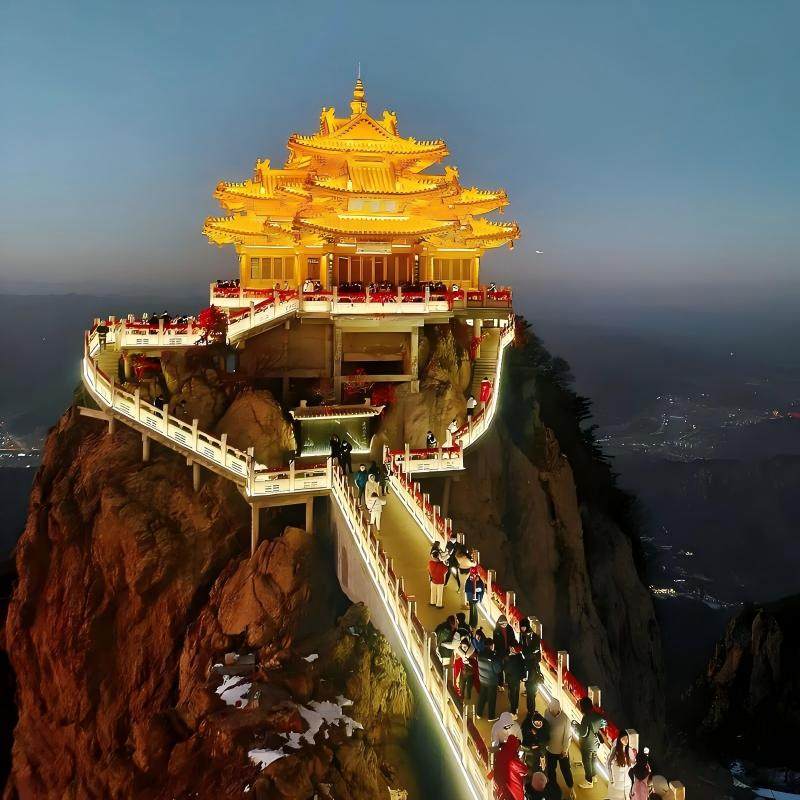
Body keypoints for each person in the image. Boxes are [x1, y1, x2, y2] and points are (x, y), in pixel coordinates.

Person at [544, 699, 574, 797]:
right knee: (551, 770)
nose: (550, 711)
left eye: (552, 710)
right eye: (550, 709)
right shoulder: (547, 712)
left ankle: (571, 787)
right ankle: (553, 788)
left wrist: (565, 750)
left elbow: (567, 736)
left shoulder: (565, 719)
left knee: (566, 770)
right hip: (549, 749)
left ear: (558, 709)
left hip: (561, 751)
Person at [574, 696, 606, 788]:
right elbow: (603, 723)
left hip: (587, 743)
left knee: (586, 761)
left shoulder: (586, 718)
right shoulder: (597, 715)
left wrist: (576, 726)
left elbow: (583, 733)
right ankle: (594, 776)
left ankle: (589, 781)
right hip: (595, 742)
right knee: (593, 759)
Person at [518, 618, 543, 715]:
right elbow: (522, 647)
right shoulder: (522, 635)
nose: (522, 629)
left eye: (524, 627)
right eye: (521, 627)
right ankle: (531, 710)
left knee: (531, 688)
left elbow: (535, 651)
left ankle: (531, 710)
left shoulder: (534, 637)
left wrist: (526, 653)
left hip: (532, 665)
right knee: (530, 688)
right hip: (527, 665)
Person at [493, 733, 528, 800]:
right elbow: (524, 770)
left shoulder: (501, 752)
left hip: (500, 783)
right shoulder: (512, 758)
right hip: (509, 788)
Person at [606, 729, 637, 800]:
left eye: (627, 738)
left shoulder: (629, 750)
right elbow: (608, 764)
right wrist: (611, 779)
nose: (626, 741)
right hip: (617, 782)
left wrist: (634, 763)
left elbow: (632, 764)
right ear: (619, 740)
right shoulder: (615, 750)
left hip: (626, 782)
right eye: (623, 739)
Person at [476, 639, 502, 720]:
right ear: (491, 646)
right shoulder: (493, 656)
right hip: (491, 681)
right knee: (492, 699)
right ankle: (491, 717)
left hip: (482, 679)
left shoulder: (480, 654)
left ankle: (479, 713)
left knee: (482, 696)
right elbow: (497, 670)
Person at [493, 615, 518, 686]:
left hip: (508, 651)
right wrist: (496, 651)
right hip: (500, 652)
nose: (504, 625)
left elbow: (513, 638)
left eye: (505, 623)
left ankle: (507, 681)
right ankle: (500, 684)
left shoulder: (509, 628)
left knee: (507, 667)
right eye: (502, 624)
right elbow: (495, 642)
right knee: (500, 668)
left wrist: (513, 646)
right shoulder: (496, 630)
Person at [505, 644, 526, 715]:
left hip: (511, 678)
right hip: (517, 678)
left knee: (512, 694)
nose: (511, 649)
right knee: (516, 693)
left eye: (511, 648)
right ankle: (516, 708)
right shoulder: (520, 656)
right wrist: (522, 677)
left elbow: (506, 669)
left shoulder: (508, 658)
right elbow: (523, 667)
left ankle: (513, 711)